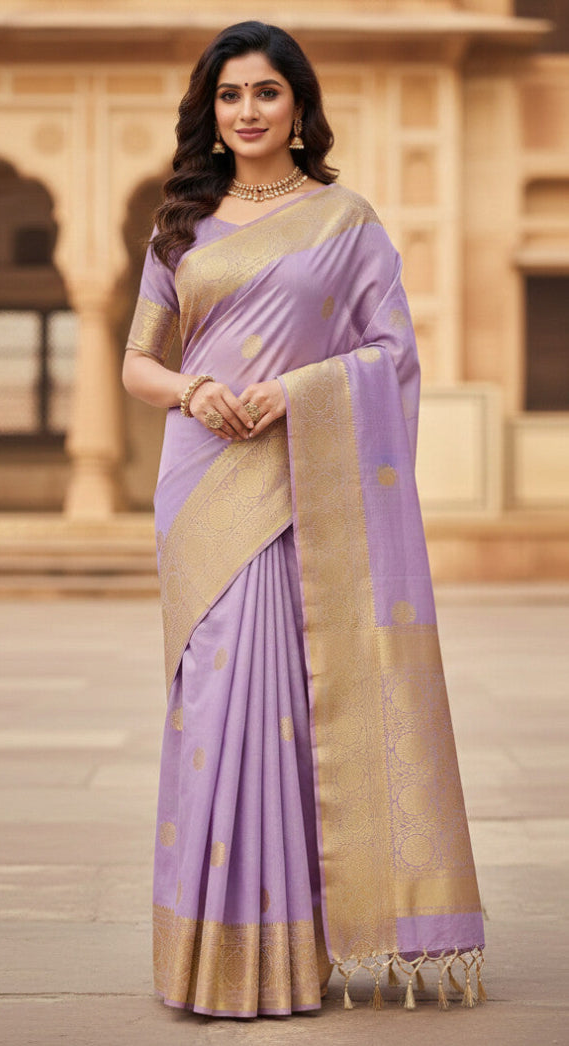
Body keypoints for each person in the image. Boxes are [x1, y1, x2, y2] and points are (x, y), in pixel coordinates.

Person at [122, 20, 486, 1020]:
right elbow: (136, 363)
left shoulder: (345, 221)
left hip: (298, 478)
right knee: (212, 703)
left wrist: (303, 393)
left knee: (286, 700)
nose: (246, 111)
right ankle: (204, 952)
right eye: (230, 95)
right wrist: (193, 391)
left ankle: (288, 952)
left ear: (298, 105)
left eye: (265, 93)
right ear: (211, 110)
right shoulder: (180, 223)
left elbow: (391, 354)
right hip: (203, 482)